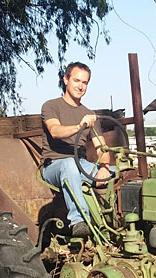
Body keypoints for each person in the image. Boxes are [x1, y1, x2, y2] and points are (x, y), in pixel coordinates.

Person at [41, 62, 113, 237]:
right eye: (76, 80)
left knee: (119, 172)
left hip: (81, 164)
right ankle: (78, 220)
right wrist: (79, 126)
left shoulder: (89, 114)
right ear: (66, 80)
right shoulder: (51, 106)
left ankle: (118, 224)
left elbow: (101, 147)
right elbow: (55, 131)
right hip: (54, 165)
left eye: (85, 83)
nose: (80, 86)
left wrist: (104, 168)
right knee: (69, 165)